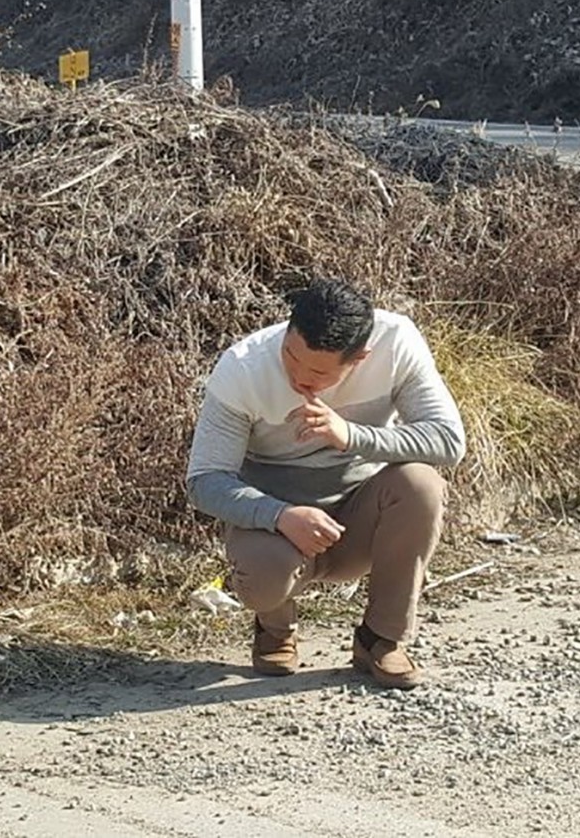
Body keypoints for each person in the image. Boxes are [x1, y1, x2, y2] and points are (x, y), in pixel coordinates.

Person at [186, 277, 466, 689]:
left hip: (360, 512)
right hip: (278, 525)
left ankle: (381, 639)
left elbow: (448, 441)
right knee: (264, 577)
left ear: (361, 358)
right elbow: (204, 480)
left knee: (422, 486)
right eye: (290, 356)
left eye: (317, 372)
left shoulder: (396, 343)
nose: (299, 377)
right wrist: (279, 516)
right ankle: (275, 627)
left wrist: (351, 435)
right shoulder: (243, 367)